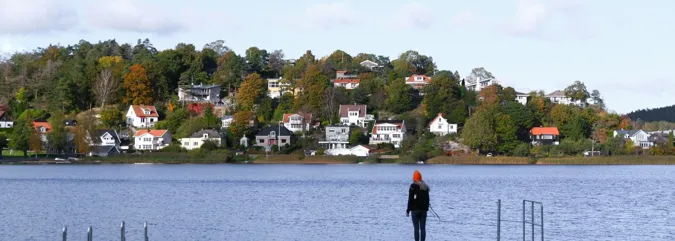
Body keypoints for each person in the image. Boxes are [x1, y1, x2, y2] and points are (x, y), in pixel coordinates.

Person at [406, 170, 429, 241]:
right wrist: (426, 208)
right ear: (420, 178)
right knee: (423, 228)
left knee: (416, 228)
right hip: (424, 210)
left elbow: (410, 199)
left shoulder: (413, 186)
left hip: (415, 210)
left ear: (414, 178)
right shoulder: (425, 187)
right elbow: (428, 199)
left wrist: (408, 210)